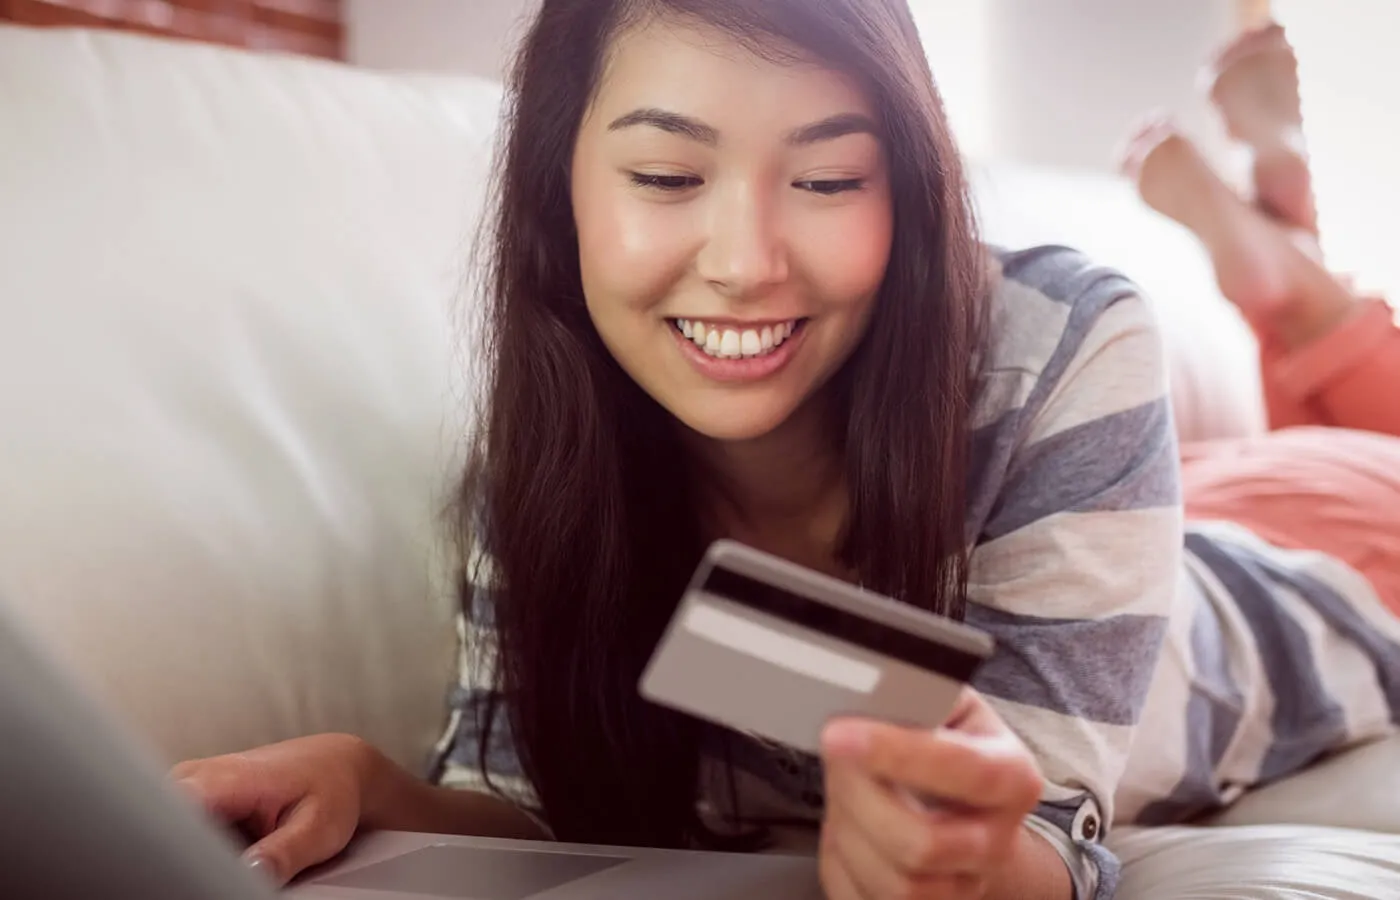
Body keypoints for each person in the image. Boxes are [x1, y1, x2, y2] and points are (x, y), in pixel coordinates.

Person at [169, 6, 1400, 900]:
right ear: (561, 193)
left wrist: (980, 860)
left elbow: (1049, 830)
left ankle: (1285, 251)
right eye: (665, 173)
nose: (745, 260)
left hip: (1321, 558)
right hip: (1162, 520)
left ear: (905, 192)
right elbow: (533, 800)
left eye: (824, 178)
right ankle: (1279, 231)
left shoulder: (1062, 343)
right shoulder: (555, 442)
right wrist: (368, 783)